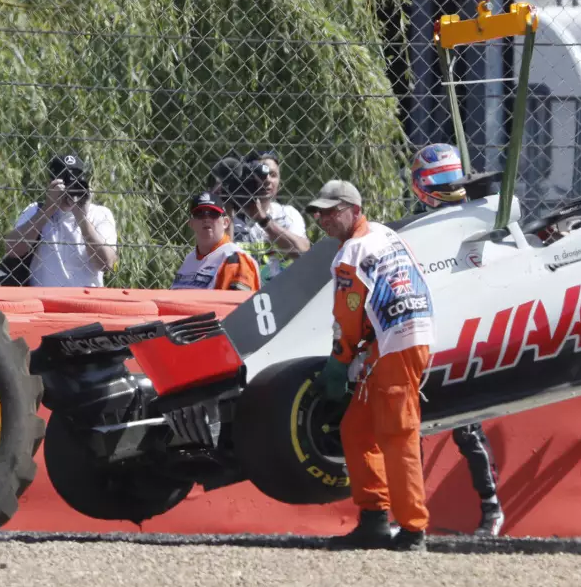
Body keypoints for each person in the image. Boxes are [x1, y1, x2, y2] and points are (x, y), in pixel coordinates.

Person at [308, 179, 434, 552]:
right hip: (401, 338)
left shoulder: (351, 253)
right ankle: (375, 521)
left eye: (333, 211)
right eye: (319, 212)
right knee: (357, 430)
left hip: (396, 343)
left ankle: (413, 530)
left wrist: (339, 361)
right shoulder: (385, 235)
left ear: (356, 211)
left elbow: (347, 319)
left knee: (397, 436)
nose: (323, 219)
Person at [409, 143, 506, 537]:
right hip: (427, 333)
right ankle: (411, 514)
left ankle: (492, 510)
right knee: (411, 427)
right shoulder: (420, 228)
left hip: (466, 334)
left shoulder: (481, 222)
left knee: (465, 426)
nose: (448, 191)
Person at [4, 152, 118, 287]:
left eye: (76, 182)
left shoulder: (100, 214)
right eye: (64, 182)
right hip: (44, 300)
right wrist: (48, 209)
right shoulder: (36, 210)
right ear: (50, 184)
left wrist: (81, 217)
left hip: (86, 301)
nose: (69, 188)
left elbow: (106, 263)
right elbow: (12, 250)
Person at [230, 149, 310, 283]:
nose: (267, 180)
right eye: (261, 174)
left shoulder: (288, 214)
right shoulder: (231, 216)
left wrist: (264, 221)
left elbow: (303, 253)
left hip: (281, 291)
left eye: (273, 175)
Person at [170, 191, 260, 291]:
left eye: (213, 214)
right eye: (199, 214)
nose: (206, 219)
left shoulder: (234, 259)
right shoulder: (189, 259)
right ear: (191, 223)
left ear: (225, 222)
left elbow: (238, 305)